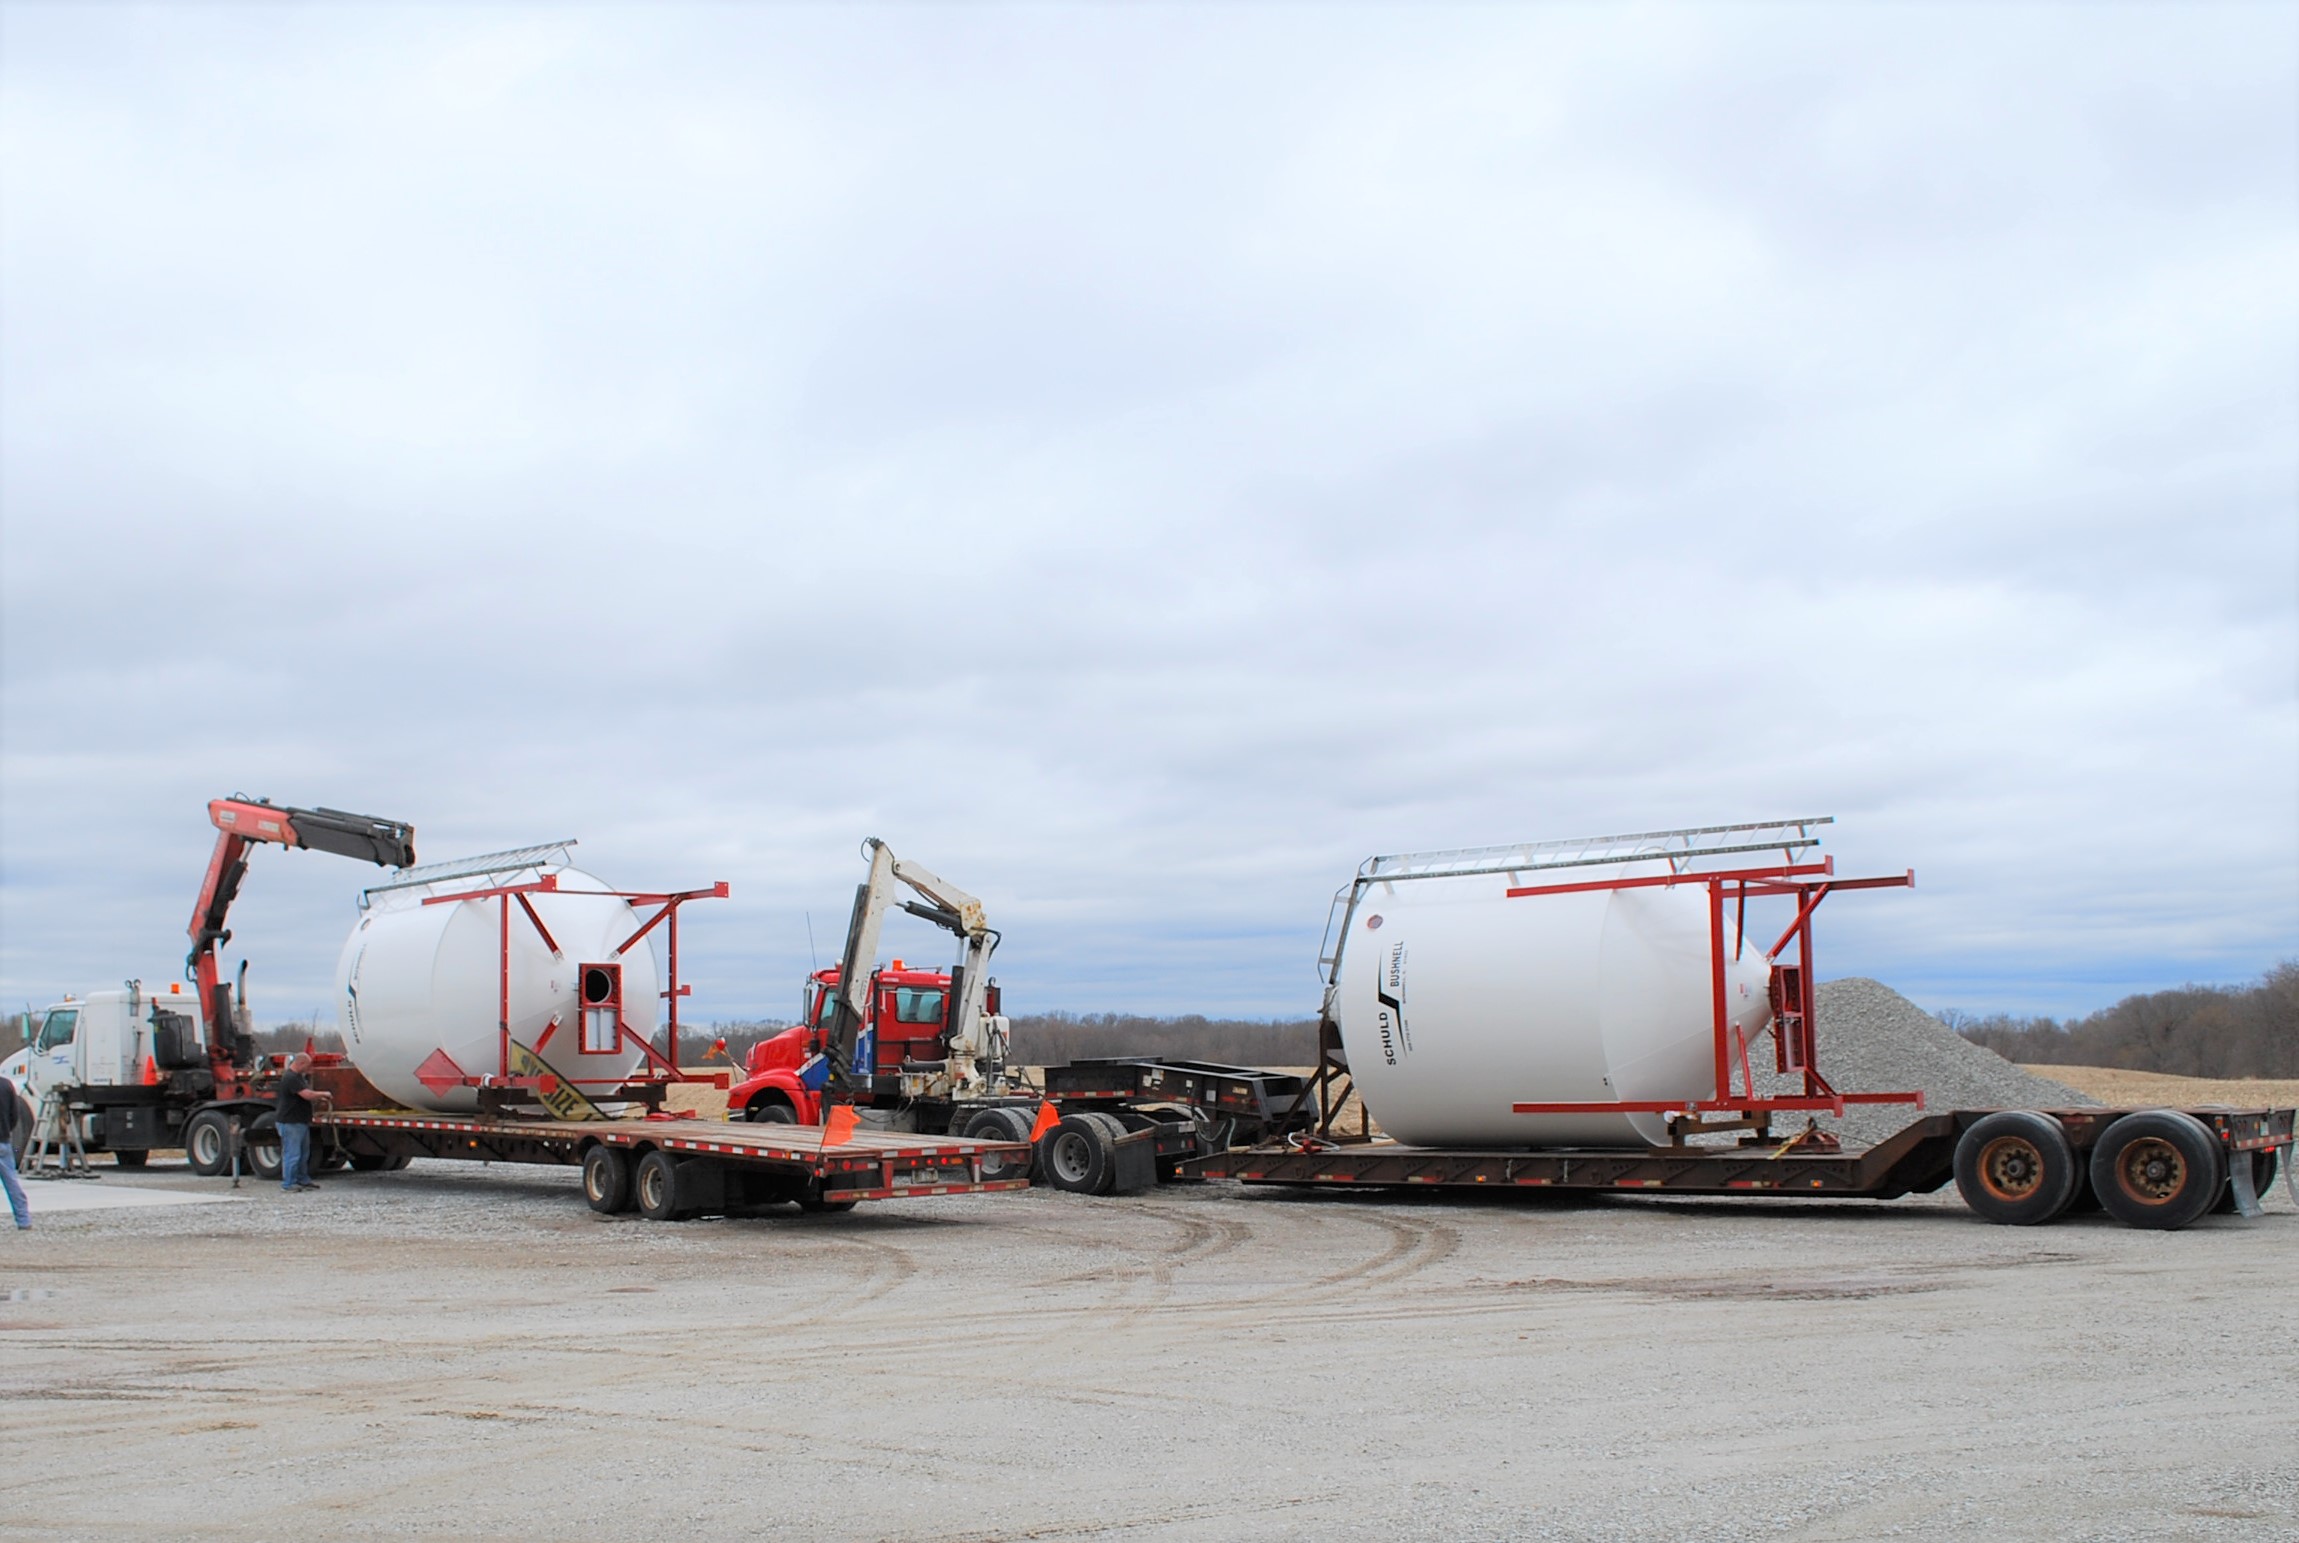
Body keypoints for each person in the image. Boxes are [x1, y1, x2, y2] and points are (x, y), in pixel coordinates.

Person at [274, 1053, 323, 1192]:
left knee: (303, 1153)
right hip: (290, 1122)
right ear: (301, 1063)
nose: (308, 1069)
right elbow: (307, 1095)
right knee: (292, 1153)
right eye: (307, 1066)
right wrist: (322, 1094)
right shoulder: (290, 1078)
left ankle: (302, 1179)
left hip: (299, 1122)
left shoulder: (298, 1077)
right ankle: (288, 1183)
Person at [1, 1074, 32, 1230]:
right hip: (3, 1141)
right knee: (11, 1182)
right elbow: (14, 1115)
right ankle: (23, 1220)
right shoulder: (7, 1085)